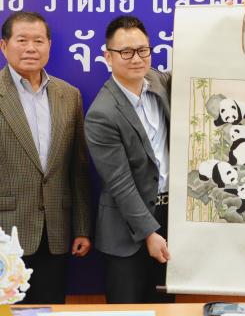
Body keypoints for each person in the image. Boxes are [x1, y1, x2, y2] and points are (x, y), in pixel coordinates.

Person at [0, 11, 92, 304]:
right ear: (4, 45)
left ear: (49, 45)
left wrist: (82, 227)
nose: (31, 48)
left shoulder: (69, 95)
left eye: (38, 41)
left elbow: (78, 168)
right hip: (5, 234)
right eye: (22, 40)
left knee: (50, 309)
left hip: (56, 233)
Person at [84, 15, 173, 303]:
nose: (136, 59)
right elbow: (120, 184)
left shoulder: (158, 81)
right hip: (126, 231)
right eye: (125, 52)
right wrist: (149, 233)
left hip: (170, 218)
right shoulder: (102, 113)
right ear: (107, 56)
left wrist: (235, 19)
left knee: (164, 306)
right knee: (127, 308)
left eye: (142, 50)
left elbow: (203, 70)